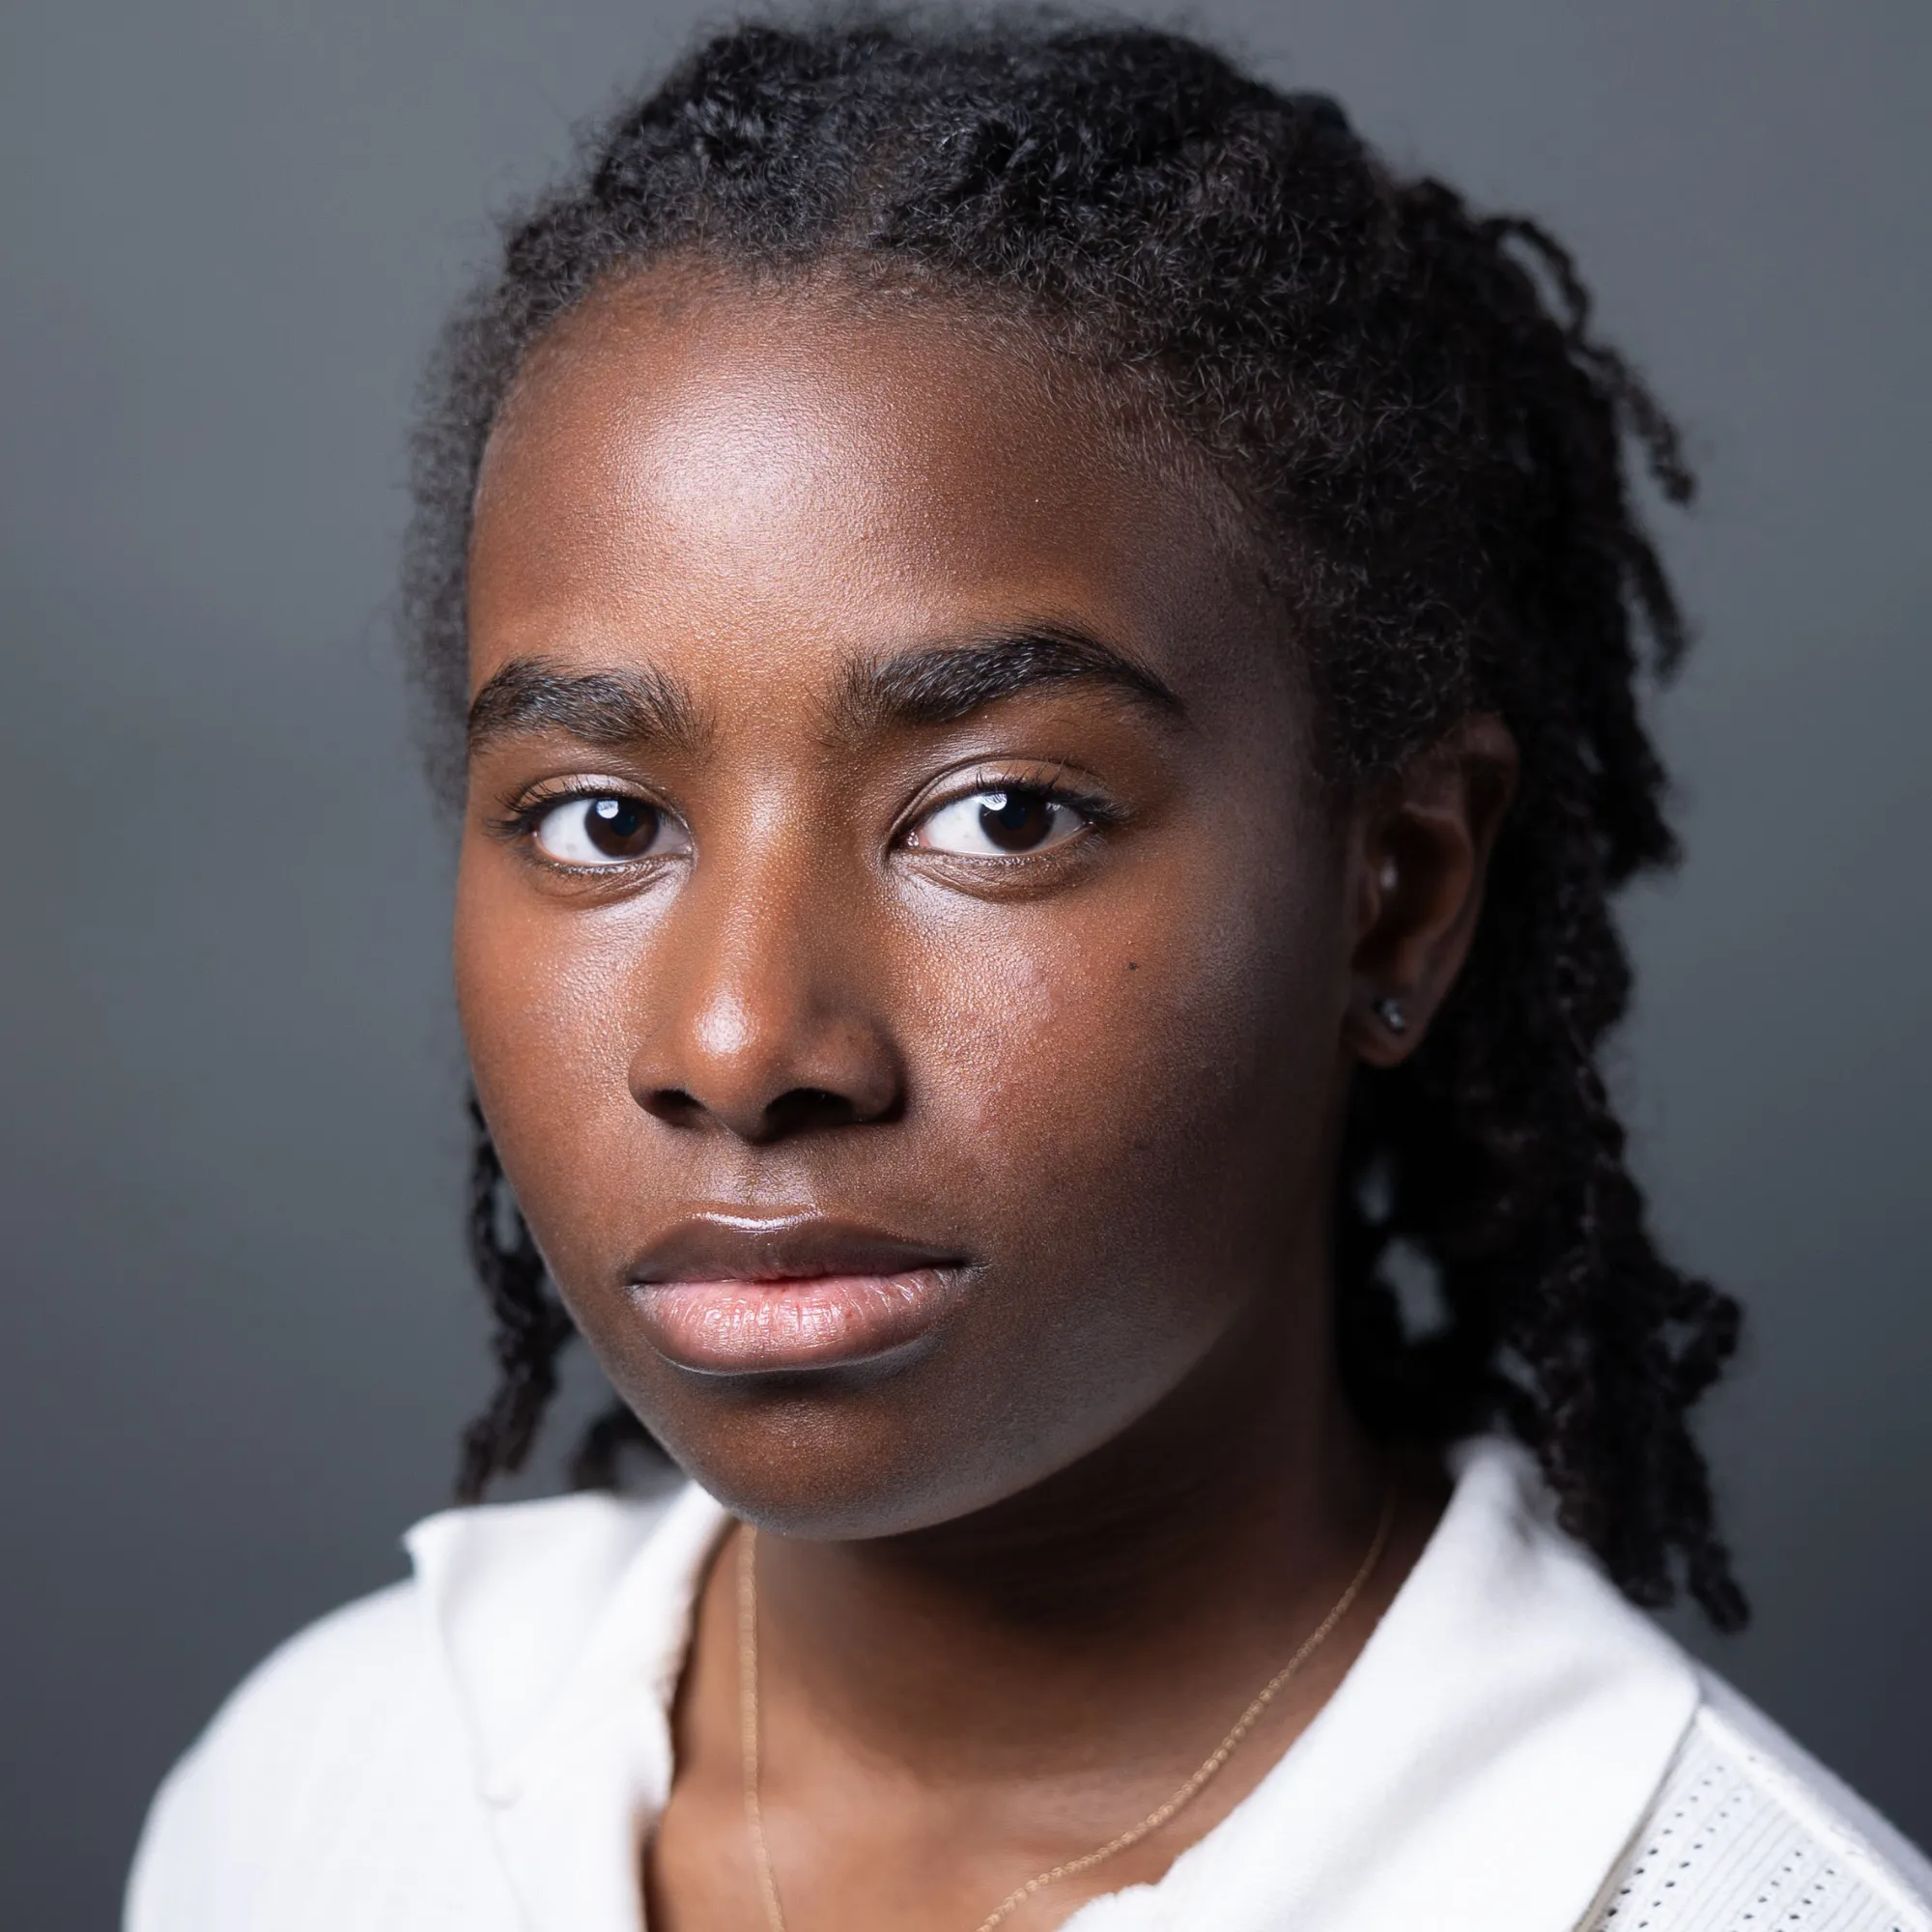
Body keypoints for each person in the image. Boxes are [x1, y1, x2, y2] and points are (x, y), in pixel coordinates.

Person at [125, 15, 1931, 1932]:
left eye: (997, 817)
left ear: (1396, 890)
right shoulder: (320, 1797)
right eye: (601, 819)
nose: (738, 1042)